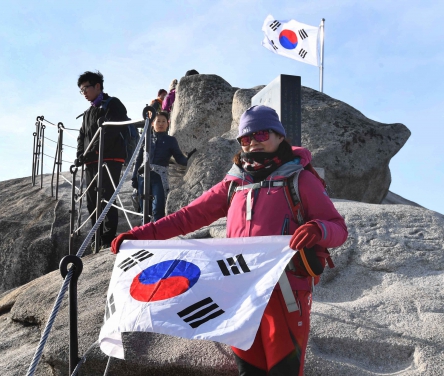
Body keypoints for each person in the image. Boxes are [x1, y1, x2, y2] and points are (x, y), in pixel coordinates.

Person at [112, 105, 348, 375]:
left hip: (285, 292)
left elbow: (338, 227)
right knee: (249, 371)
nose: (253, 143)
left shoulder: (300, 179)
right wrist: (139, 235)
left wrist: (318, 229)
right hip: (238, 294)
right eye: (246, 139)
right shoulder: (234, 184)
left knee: (284, 370)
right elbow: (187, 217)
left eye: (261, 135)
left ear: (280, 137)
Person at [75, 70, 128, 248]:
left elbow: (112, 130)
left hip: (110, 159)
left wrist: (95, 150)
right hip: (91, 162)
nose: (84, 92)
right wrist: (80, 155)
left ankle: (107, 239)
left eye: (86, 88)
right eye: (81, 90)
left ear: (98, 86)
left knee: (106, 198)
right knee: (91, 201)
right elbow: (82, 136)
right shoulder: (88, 112)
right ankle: (95, 236)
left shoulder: (114, 104)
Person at [131, 111, 195, 221]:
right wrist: (134, 177)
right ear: (152, 123)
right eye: (158, 121)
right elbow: (138, 159)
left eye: (163, 121)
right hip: (142, 176)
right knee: (144, 209)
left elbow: (179, 158)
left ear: (167, 123)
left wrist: (189, 158)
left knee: (158, 207)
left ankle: (157, 236)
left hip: (159, 177)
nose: (161, 124)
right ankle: (144, 234)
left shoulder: (171, 140)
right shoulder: (146, 138)